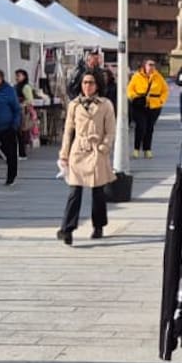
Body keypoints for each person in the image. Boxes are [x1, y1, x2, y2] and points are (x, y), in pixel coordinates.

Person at [56, 71, 115, 246]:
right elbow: (68, 131)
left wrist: (104, 147)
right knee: (74, 191)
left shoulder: (105, 104)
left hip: (97, 150)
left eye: (91, 82)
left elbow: (110, 130)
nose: (87, 86)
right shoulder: (74, 105)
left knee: (98, 191)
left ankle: (98, 225)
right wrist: (64, 154)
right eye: (84, 83)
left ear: (97, 85)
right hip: (79, 150)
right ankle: (67, 229)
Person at [127, 59, 168, 158]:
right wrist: (134, 97)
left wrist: (161, 101)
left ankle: (147, 149)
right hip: (139, 105)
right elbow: (130, 89)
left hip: (154, 106)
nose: (151, 67)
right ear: (145, 66)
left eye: (153, 65)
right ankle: (136, 149)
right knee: (141, 127)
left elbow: (165, 90)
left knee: (150, 128)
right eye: (150, 65)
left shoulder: (158, 77)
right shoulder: (137, 76)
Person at [14, 69, 37, 160]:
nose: (17, 78)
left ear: (24, 76)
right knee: (19, 133)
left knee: (21, 133)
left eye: (19, 76)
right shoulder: (16, 86)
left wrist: (21, 104)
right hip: (18, 111)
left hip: (23, 112)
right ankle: (20, 152)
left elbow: (30, 100)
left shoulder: (26, 87)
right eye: (16, 76)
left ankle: (22, 153)